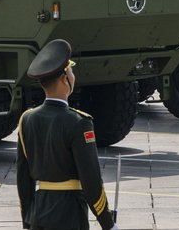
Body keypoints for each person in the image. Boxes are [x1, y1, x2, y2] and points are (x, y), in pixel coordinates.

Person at [16, 39, 118, 230]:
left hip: (38, 213)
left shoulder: (26, 120)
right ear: (65, 79)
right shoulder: (79, 122)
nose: (73, 74)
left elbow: (23, 181)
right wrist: (108, 223)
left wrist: (27, 221)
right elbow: (91, 181)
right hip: (70, 214)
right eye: (71, 70)